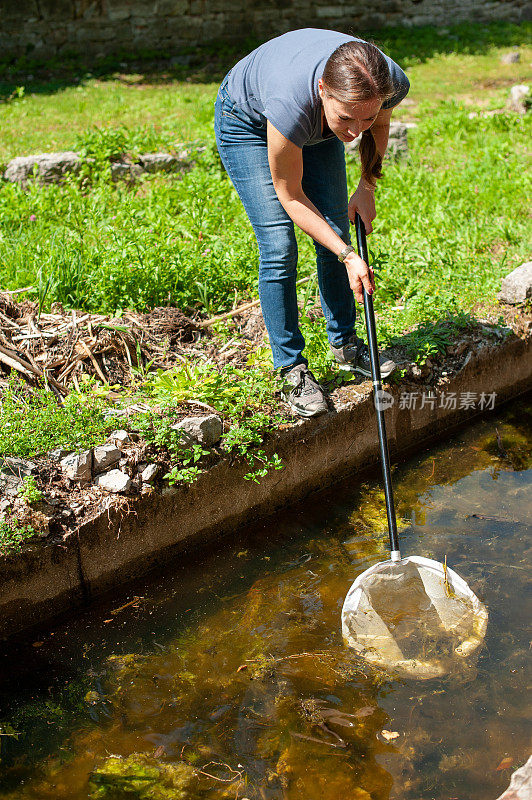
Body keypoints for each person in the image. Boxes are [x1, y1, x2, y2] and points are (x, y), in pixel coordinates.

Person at [214, 28, 410, 417]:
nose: (355, 134)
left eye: (366, 117)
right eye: (348, 119)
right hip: (248, 124)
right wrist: (349, 255)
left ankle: (346, 345)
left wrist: (366, 187)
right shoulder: (291, 102)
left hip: (313, 120)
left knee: (335, 227)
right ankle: (291, 368)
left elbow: (379, 126)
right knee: (279, 245)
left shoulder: (386, 81)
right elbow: (291, 196)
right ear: (323, 89)